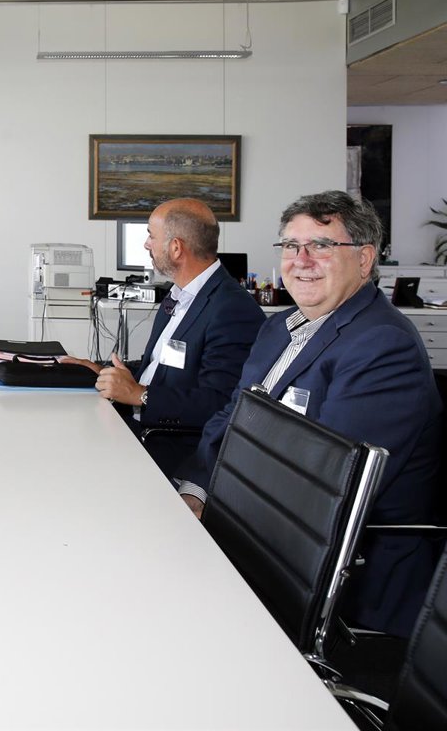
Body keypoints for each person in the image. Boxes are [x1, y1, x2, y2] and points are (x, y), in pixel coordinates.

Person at [175, 190, 441, 639]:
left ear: (364, 259)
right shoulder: (280, 326)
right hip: (262, 528)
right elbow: (231, 417)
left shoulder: (381, 345)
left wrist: (213, 517)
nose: (301, 260)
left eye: (321, 245)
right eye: (291, 245)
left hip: (337, 574)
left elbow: (323, 485)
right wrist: (195, 492)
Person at [63, 199, 264, 476]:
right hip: (136, 428)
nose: (147, 244)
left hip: (172, 450)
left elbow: (219, 403)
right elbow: (159, 365)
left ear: (176, 248)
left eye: (151, 236)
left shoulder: (232, 309)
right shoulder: (179, 295)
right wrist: (102, 371)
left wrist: (140, 395)